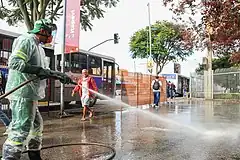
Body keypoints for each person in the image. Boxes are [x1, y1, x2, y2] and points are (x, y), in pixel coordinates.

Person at [2, 19, 72, 160]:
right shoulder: (26, 41)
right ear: (42, 31)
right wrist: (39, 70)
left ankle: (34, 155)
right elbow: (15, 62)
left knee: (36, 125)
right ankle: (9, 157)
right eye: (50, 33)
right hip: (23, 94)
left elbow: (41, 71)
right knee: (20, 129)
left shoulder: (38, 47)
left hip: (30, 94)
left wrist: (56, 74)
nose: (52, 37)